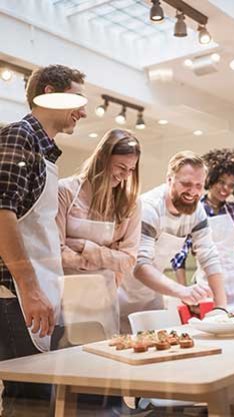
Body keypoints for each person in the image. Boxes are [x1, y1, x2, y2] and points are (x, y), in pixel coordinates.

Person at [0, 65, 86, 413]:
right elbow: (1, 213)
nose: (83, 111)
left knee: (45, 399)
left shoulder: (44, 150)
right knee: (28, 403)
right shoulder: (19, 137)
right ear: (49, 92)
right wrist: (31, 288)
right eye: (78, 100)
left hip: (36, 294)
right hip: (14, 296)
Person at [118, 151, 227, 332]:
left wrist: (221, 306)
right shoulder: (148, 208)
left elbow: (208, 255)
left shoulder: (197, 211)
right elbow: (139, 265)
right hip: (121, 295)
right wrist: (182, 291)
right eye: (186, 184)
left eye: (199, 185)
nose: (193, 192)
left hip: (153, 295)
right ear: (169, 180)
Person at [56, 128, 142, 338]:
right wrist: (106, 258)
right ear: (102, 158)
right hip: (65, 295)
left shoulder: (131, 204)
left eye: (131, 169)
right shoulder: (65, 191)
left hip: (104, 296)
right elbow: (55, 252)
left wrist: (85, 247)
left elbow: (129, 260)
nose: (125, 176)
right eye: (121, 167)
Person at [172, 148, 234, 312]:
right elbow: (179, 257)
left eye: (231, 185)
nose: (225, 189)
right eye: (221, 182)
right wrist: (184, 294)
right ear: (211, 179)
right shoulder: (193, 211)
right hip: (209, 285)